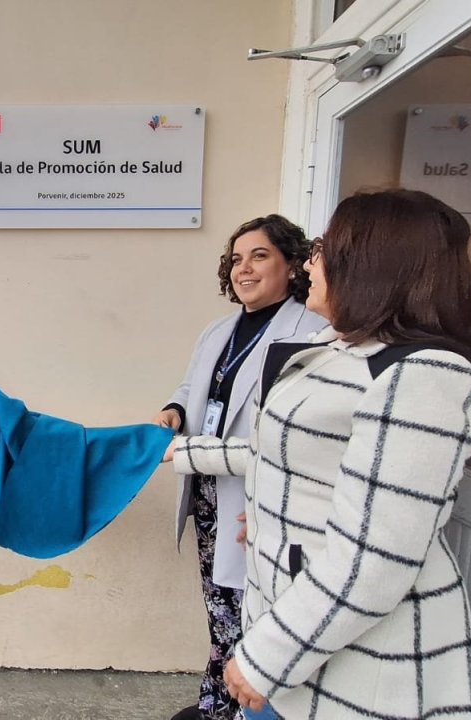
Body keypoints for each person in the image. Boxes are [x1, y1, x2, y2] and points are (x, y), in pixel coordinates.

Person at [167, 189, 471, 718]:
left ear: (370, 263)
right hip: (293, 631)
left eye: (322, 248)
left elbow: (376, 558)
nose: (309, 264)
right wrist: (264, 504)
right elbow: (285, 453)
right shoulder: (339, 351)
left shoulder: (423, 375)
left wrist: (265, 657)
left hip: (352, 667)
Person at [152, 215, 326, 720]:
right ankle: (219, 702)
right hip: (210, 491)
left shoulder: (311, 332)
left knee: (256, 612)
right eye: (236, 259)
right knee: (222, 607)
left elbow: (294, 436)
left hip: (262, 496)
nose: (243, 268)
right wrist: (175, 409)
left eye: (259, 256)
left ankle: (237, 708)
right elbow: (193, 387)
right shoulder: (220, 330)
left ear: (292, 264)